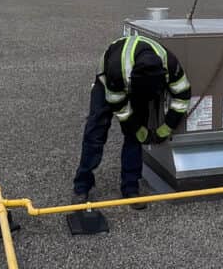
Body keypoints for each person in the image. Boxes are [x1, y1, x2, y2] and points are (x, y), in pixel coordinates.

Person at [72, 33, 191, 208]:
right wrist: (136, 127)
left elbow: (182, 97)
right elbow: (121, 109)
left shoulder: (170, 66)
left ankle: (130, 188)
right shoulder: (116, 71)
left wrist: (166, 128)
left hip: (137, 86)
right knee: (96, 132)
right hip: (107, 83)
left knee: (134, 138)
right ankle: (82, 186)